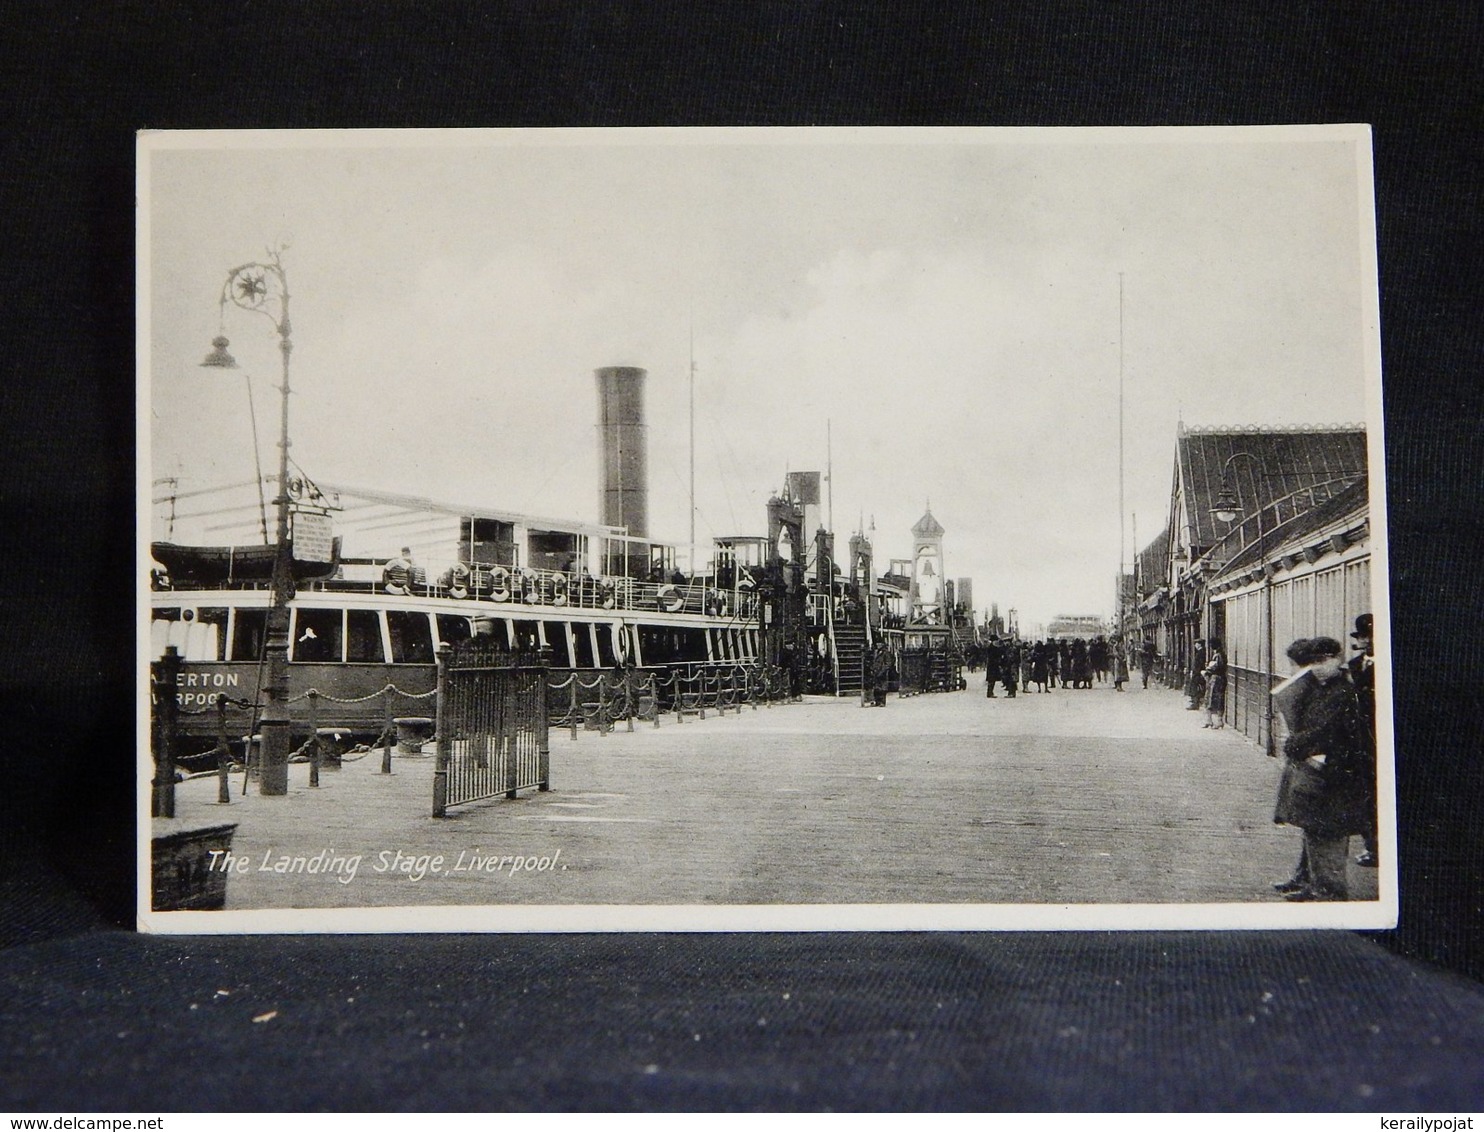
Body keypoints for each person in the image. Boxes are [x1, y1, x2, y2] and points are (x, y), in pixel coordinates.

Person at [1271, 636, 1371, 901]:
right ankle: (1313, 882)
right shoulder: (1322, 688)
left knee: (1328, 831)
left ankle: (1329, 890)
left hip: (1335, 770)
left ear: (1336, 659)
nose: (1317, 667)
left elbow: (1324, 729)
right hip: (1320, 767)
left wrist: (1294, 743)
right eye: (1313, 662)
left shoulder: (1340, 692)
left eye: (1322, 661)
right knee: (1315, 826)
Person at [1348, 614, 1379, 867]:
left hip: (1380, 737)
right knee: (1365, 793)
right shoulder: (1354, 665)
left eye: (1370, 636)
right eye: (1364, 637)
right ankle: (1371, 846)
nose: (1367, 641)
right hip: (1361, 740)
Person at [1201, 639, 1227, 728]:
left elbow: (1216, 667)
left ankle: (1217, 721)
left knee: (1213, 699)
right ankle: (1210, 720)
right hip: (1216, 679)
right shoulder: (1220, 654)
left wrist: (1207, 670)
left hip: (1216, 679)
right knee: (1211, 699)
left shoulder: (1218, 655)